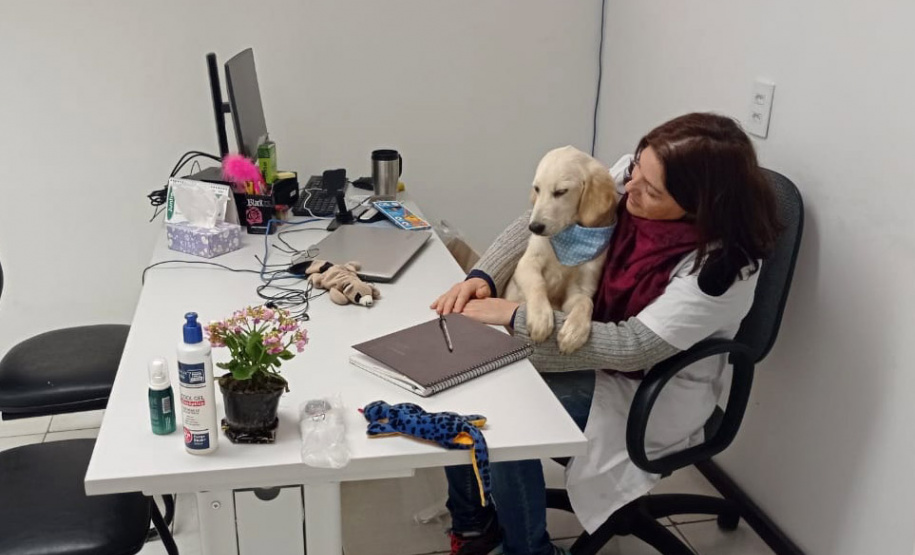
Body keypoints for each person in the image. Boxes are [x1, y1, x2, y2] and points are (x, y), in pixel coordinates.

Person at [430, 112, 781, 555]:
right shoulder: (633, 181)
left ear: (699, 204)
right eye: (635, 170)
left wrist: (513, 323)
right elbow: (537, 222)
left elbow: (631, 348)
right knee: (466, 380)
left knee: (501, 410)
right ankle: (476, 525)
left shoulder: (719, 269)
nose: (629, 188)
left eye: (651, 190)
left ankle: (531, 551)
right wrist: (483, 274)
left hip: (651, 385)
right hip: (591, 341)